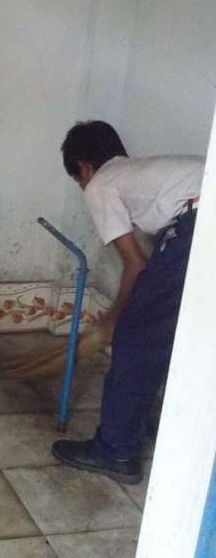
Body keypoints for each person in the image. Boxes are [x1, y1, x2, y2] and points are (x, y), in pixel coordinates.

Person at [52, 120, 204, 484]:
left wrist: (112, 321)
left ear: (84, 167)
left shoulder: (101, 183)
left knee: (135, 340)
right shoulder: (144, 176)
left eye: (78, 180)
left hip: (201, 223)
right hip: (201, 218)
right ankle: (144, 423)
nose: (83, 187)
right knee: (169, 333)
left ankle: (116, 450)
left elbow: (136, 263)